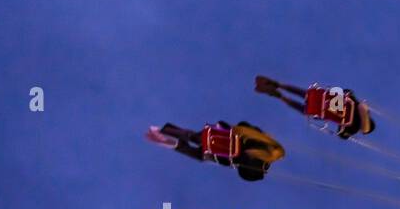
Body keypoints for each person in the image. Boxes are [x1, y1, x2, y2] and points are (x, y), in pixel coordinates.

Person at [146, 121, 285, 181]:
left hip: (221, 137)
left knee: (194, 137)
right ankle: (170, 141)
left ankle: (164, 132)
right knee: (197, 153)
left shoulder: (261, 139)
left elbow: (243, 126)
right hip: (220, 154)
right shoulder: (259, 169)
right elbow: (244, 174)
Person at [255, 76, 374, 139]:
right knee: (304, 109)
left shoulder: (355, 103)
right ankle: (280, 96)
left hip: (326, 101)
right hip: (323, 110)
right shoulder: (353, 127)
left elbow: (346, 91)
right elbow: (342, 134)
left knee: (305, 95)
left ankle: (279, 85)